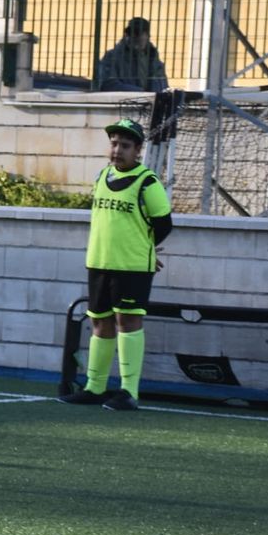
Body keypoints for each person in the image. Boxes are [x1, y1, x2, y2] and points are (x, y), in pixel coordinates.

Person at [58, 118, 174, 411]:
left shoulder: (147, 182)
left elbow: (164, 224)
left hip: (132, 266)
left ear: (137, 150)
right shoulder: (102, 176)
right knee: (99, 321)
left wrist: (145, 251)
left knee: (128, 321)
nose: (117, 150)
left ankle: (128, 391)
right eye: (114, 144)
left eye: (125, 145)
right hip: (99, 261)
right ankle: (95, 387)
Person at [98, 17, 169, 92]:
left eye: (138, 33)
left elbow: (163, 86)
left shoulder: (154, 59)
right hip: (124, 102)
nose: (133, 37)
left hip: (150, 101)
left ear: (147, 36)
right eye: (130, 33)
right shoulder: (112, 57)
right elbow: (107, 84)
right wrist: (141, 92)